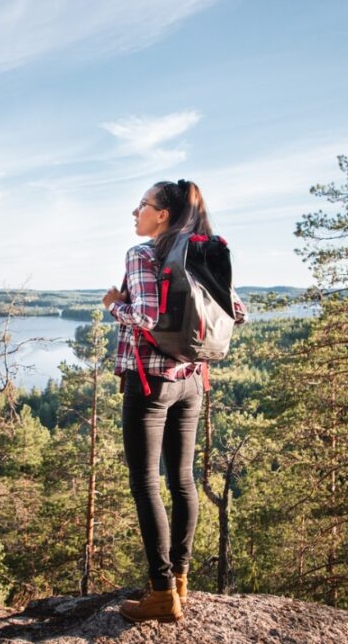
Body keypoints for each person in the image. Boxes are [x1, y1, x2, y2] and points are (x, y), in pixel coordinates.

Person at [102, 179, 247, 624]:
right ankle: (180, 580)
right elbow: (238, 311)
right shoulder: (199, 251)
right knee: (182, 481)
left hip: (150, 383)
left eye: (142, 205)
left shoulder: (143, 254)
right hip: (192, 381)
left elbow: (146, 316)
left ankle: (162, 593)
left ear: (162, 214)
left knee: (146, 482)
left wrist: (113, 305)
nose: (135, 212)